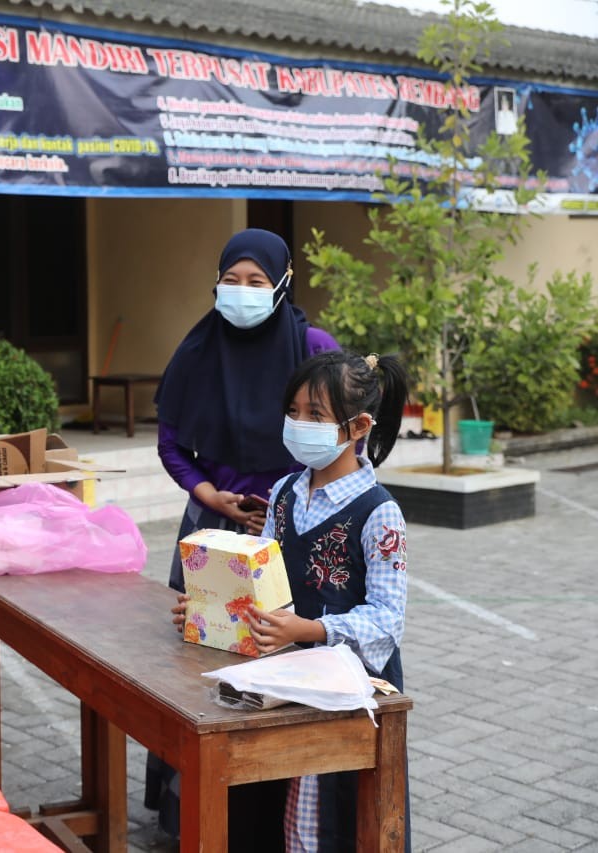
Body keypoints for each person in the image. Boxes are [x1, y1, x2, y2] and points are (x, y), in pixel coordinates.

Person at [172, 348, 411, 851]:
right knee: (258, 801)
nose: (300, 423)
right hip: (278, 678)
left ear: (358, 425)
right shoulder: (282, 492)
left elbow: (388, 622)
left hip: (342, 693)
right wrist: (207, 610)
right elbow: (259, 584)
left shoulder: (380, 513)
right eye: (294, 411)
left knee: (316, 824)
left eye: (316, 415)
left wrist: (309, 630)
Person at [145, 227, 337, 838]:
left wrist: (283, 505)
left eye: (257, 282)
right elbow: (170, 439)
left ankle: (273, 816)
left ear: (282, 284)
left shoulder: (312, 346)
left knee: (277, 663)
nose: (242, 292)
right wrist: (208, 495)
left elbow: (340, 436)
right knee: (200, 665)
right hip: (212, 530)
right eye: (232, 280)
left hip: (292, 532)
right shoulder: (199, 349)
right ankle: (189, 812)